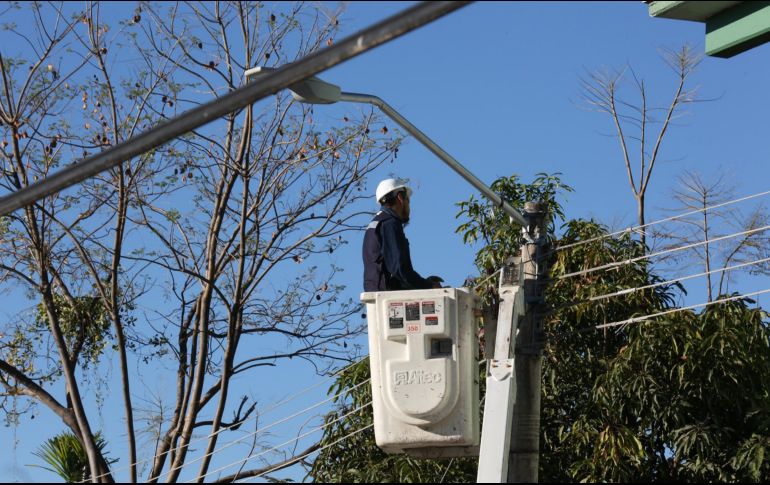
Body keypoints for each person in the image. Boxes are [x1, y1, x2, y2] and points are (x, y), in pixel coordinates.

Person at [363, 178, 444, 292]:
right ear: (400, 198)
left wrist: (422, 283)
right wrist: (428, 286)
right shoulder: (389, 223)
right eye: (408, 200)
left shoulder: (376, 223)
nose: (408, 206)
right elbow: (399, 269)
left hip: (375, 292)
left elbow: (393, 272)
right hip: (386, 295)